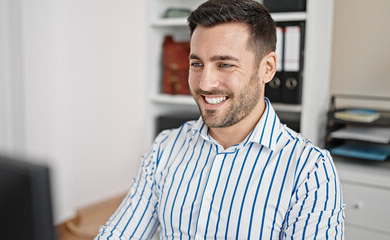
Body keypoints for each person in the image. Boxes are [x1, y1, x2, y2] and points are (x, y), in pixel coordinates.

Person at [95, 0, 345, 239]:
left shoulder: (310, 171)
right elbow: (119, 234)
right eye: (197, 63)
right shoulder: (165, 149)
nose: (204, 83)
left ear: (267, 68)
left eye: (224, 64)